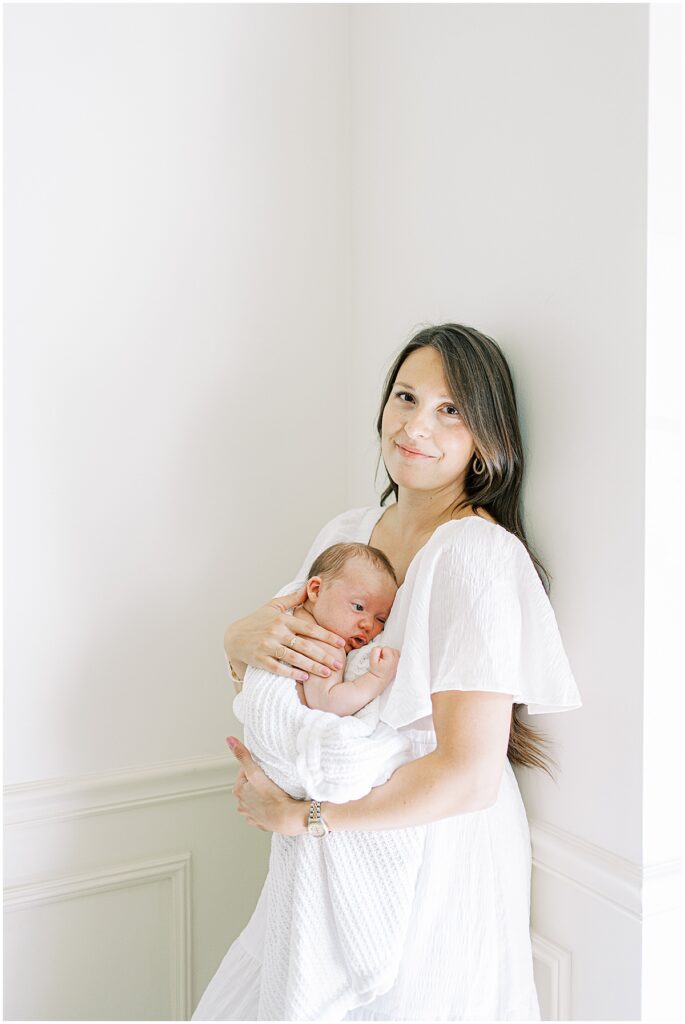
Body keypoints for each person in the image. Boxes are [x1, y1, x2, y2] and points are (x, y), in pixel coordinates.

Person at [193, 323, 582, 1021]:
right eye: (405, 396)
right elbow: (271, 673)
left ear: (486, 439)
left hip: (435, 860)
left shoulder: (475, 557)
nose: (415, 425)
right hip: (328, 854)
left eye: (449, 410)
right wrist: (234, 637)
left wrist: (304, 817)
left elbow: (467, 776)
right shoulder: (346, 534)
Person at [289, 541, 400, 715]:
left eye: (380, 619)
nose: (368, 625)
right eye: (358, 607)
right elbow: (328, 704)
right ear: (316, 590)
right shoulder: (324, 643)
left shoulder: (291, 617)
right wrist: (377, 678)